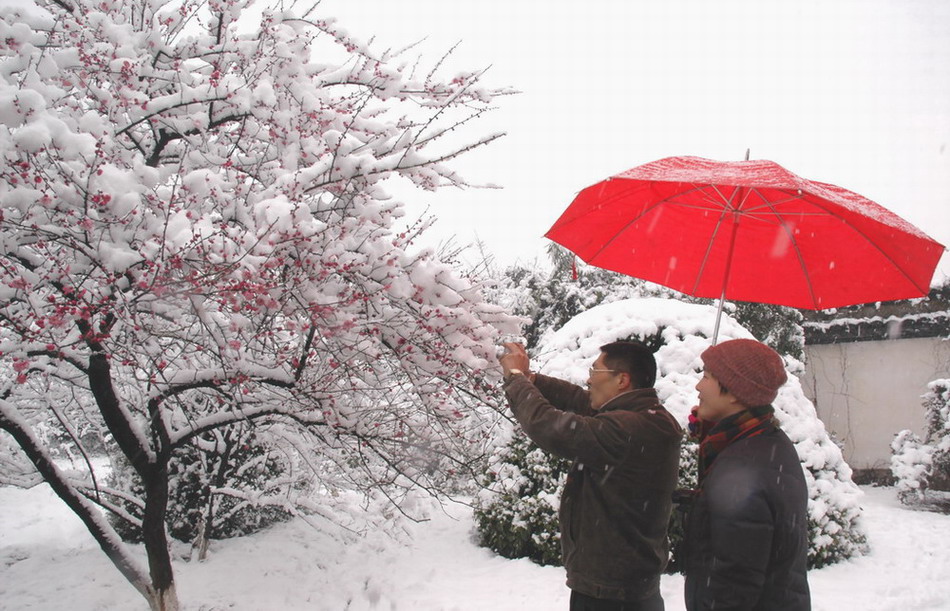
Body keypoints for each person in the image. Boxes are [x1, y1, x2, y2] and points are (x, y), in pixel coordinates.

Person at [498, 340, 682, 611]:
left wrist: (515, 379)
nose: (588, 379)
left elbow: (551, 427)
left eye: (595, 372)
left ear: (622, 380)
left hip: (610, 594)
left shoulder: (628, 428)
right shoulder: (646, 416)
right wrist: (532, 379)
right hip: (627, 586)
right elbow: (581, 401)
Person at [683, 338, 811, 610]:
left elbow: (733, 580)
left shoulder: (744, 468)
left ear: (733, 392)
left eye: (706, 377)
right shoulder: (763, 442)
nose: (698, 386)